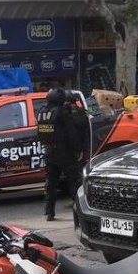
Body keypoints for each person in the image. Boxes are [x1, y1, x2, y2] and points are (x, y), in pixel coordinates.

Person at [37, 89, 85, 221]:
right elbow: (71, 133)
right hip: (65, 153)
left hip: (49, 152)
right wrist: (78, 150)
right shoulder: (62, 112)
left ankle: (49, 212)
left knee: (51, 183)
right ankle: (79, 212)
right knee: (74, 182)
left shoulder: (42, 113)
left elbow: (40, 134)